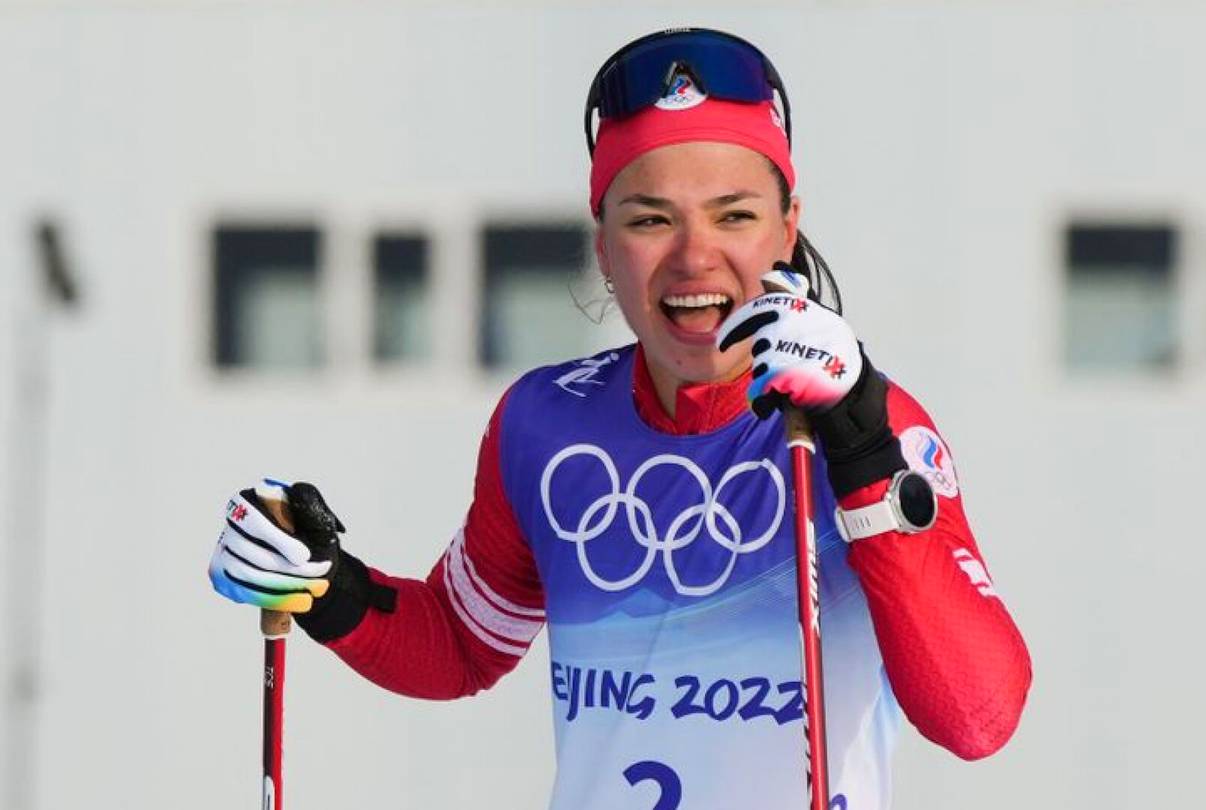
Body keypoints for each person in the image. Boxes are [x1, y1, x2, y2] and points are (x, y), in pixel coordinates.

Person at [209, 27, 1031, 810]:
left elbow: (977, 717)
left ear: (787, 229)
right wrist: (320, 583)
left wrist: (860, 441)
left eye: (734, 214)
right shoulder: (544, 425)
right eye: (649, 219)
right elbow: (459, 643)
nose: (694, 256)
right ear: (603, 247)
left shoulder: (866, 426)